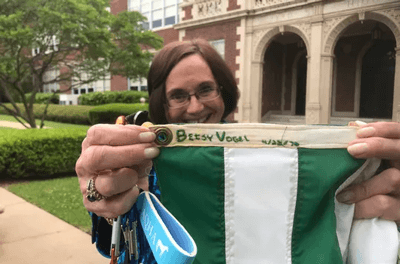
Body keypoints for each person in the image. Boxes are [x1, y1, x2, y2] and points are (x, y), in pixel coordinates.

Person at [75, 39, 400, 263]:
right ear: (160, 100)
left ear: (223, 91)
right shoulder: (135, 159)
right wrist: (100, 195)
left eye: (206, 89)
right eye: (178, 95)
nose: (195, 107)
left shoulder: (264, 157)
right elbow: (110, 243)